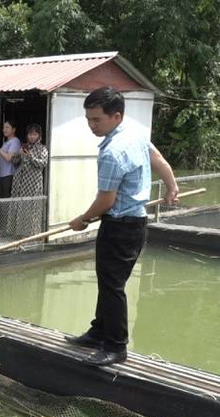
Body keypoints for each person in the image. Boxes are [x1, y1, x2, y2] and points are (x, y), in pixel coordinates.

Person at [65, 87, 179, 366]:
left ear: (116, 116)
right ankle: (98, 331)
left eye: (97, 120)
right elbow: (159, 160)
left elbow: (106, 199)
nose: (91, 126)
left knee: (112, 285)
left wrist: (83, 219)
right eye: (89, 119)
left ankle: (116, 346)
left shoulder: (112, 152)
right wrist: (172, 187)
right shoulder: (136, 133)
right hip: (132, 223)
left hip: (121, 225)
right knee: (108, 282)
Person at [5, 124, 48, 237]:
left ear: (39, 135)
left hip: (33, 183)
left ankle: (31, 234)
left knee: (31, 207)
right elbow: (14, 162)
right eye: (30, 134)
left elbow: (43, 163)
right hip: (20, 182)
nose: (32, 137)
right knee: (18, 206)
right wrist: (19, 154)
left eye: (34, 134)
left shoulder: (42, 148)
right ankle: (17, 233)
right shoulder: (24, 146)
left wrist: (30, 156)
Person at [0, 120, 21, 234]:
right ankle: (2, 228)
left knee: (6, 203)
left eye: (7, 127)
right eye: (4, 127)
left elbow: (9, 158)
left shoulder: (15, 141)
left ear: (13, 129)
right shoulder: (7, 142)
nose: (4, 130)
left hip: (8, 175)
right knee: (2, 202)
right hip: (2, 175)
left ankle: (6, 229)